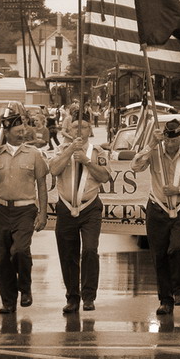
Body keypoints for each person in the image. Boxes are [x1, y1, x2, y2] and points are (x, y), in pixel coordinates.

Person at [130, 119, 180, 315]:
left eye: (174, 141)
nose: (170, 145)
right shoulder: (155, 150)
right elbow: (135, 167)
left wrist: (179, 190)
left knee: (177, 247)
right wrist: (152, 144)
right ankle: (165, 300)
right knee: (159, 255)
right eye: (167, 141)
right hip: (158, 207)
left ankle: (179, 290)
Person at [0, 113, 48, 314]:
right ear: (6, 133)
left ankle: (25, 288)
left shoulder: (33, 154)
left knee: (20, 250)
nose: (22, 134)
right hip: (0, 209)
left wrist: (43, 214)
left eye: (23, 130)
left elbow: (42, 185)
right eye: (17, 131)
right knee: (0, 258)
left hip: (25, 209)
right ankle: (8, 300)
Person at [49, 110, 110, 314]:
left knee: (90, 250)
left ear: (90, 129)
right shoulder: (60, 149)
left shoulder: (98, 151)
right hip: (66, 207)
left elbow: (104, 177)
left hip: (89, 207)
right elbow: (54, 170)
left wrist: (86, 160)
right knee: (68, 255)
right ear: (68, 129)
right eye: (75, 126)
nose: (80, 130)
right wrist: (69, 152)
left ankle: (89, 296)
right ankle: (72, 297)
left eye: (84, 126)